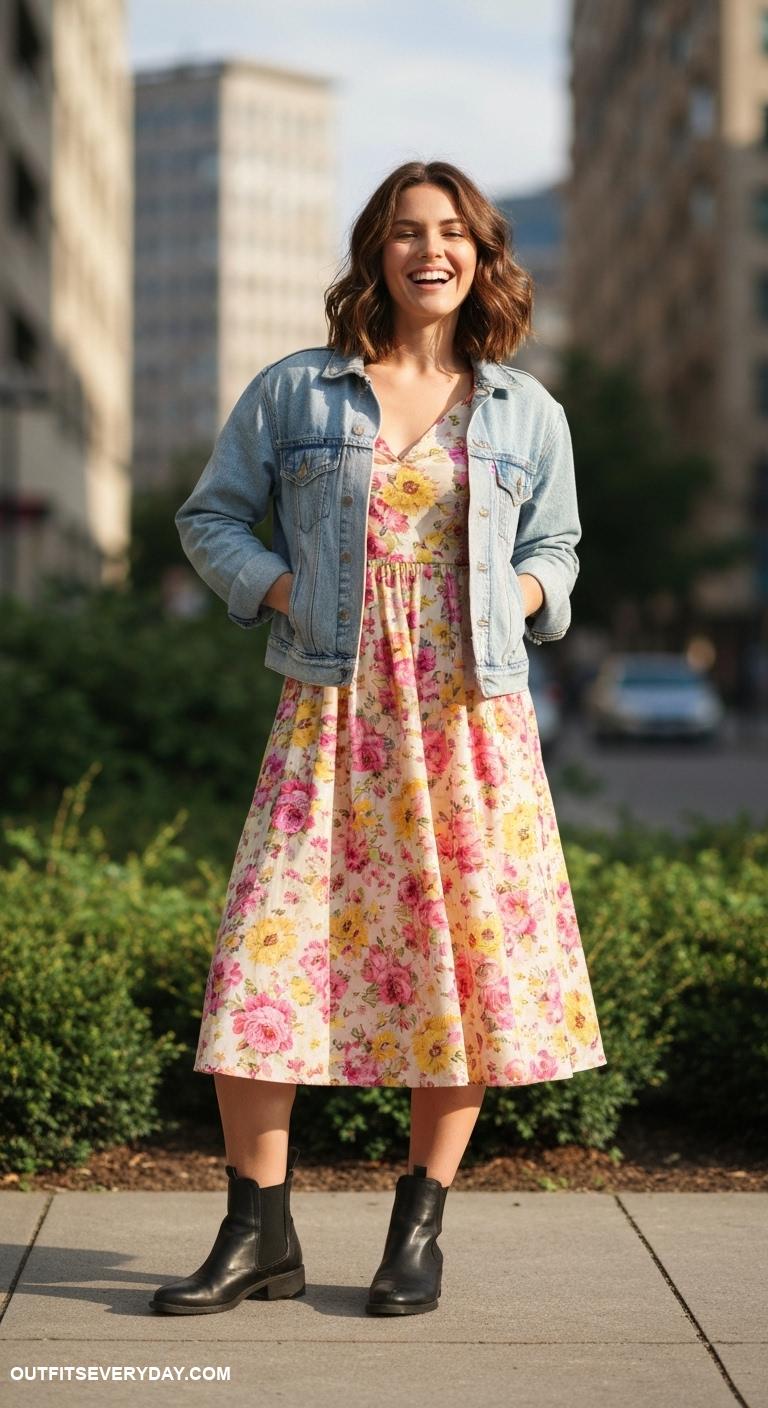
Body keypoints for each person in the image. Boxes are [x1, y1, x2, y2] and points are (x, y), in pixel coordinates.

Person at [150, 159, 607, 1320]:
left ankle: (418, 1229)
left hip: (471, 727)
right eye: (406, 232)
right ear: (377, 253)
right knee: (263, 960)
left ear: (481, 254)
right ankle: (259, 1230)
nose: (428, 250)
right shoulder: (300, 392)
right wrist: (277, 590)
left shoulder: (525, 410)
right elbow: (209, 514)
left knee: (463, 969)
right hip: (333, 710)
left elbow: (560, 547)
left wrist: (527, 596)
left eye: (451, 232)